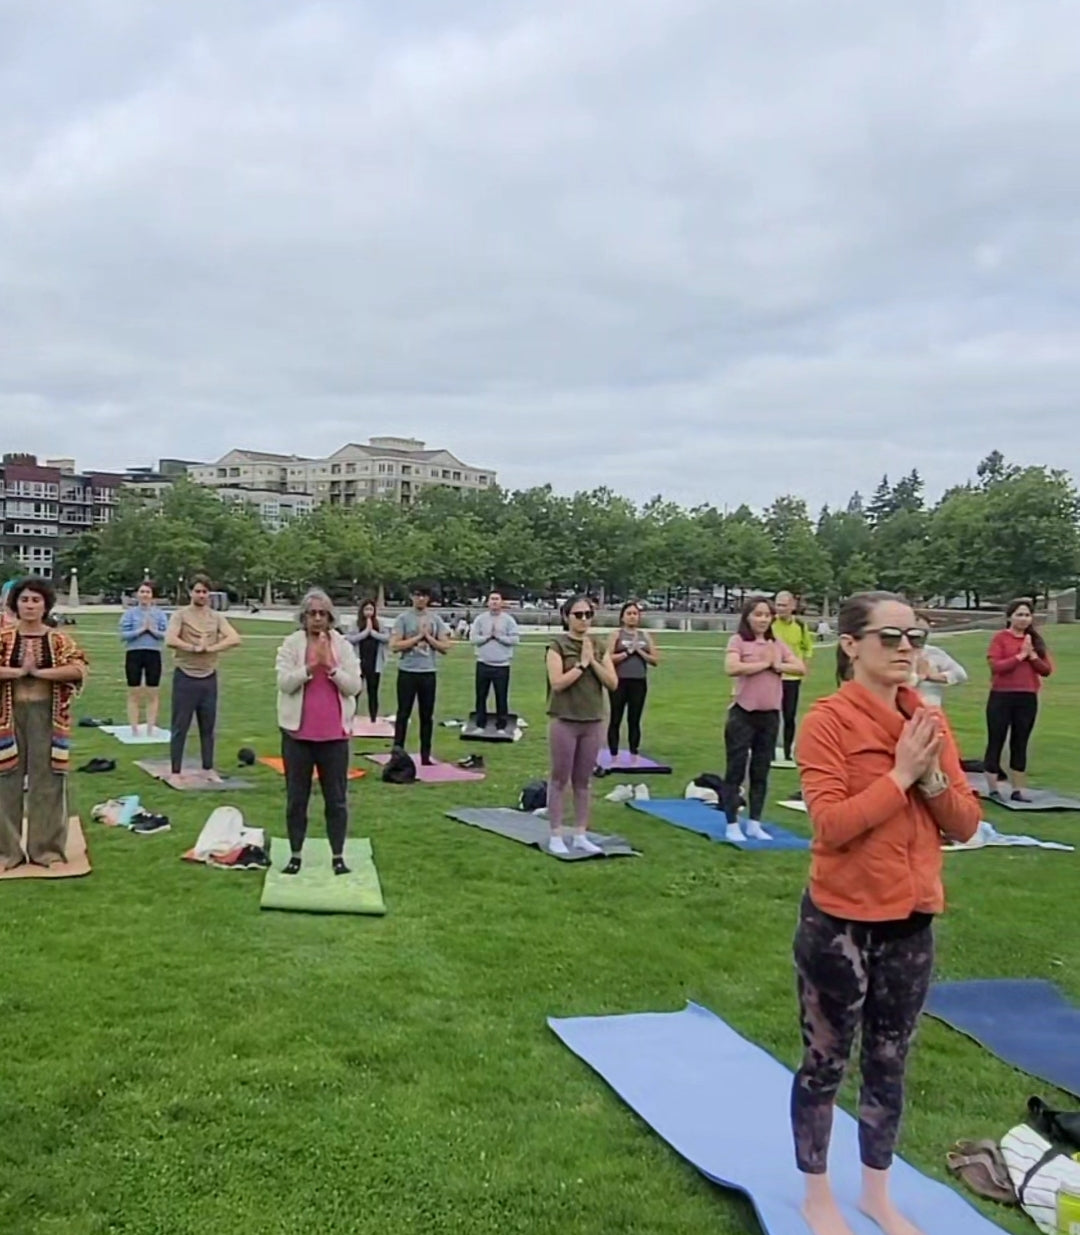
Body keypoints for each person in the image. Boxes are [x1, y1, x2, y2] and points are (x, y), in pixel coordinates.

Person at [792, 591, 979, 1235]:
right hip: (839, 923)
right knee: (825, 1061)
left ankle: (877, 1192)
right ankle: (817, 1193)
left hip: (911, 923)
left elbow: (965, 824)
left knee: (890, 1062)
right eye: (890, 636)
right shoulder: (827, 722)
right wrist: (899, 776)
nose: (906, 648)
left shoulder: (927, 720)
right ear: (850, 645)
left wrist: (930, 777)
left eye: (915, 637)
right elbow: (831, 826)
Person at [0, 577, 89, 868]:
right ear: (15, 604)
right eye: (24, 600)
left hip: (47, 717)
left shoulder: (58, 638)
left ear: (45, 605)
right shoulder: (3, 636)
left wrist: (38, 674)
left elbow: (78, 668)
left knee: (49, 781)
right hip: (7, 717)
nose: (29, 605)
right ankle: (6, 853)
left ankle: (47, 851)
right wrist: (17, 673)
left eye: (36, 600)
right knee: (5, 781)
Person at [275, 589, 362, 875]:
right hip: (298, 736)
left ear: (330, 617)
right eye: (311, 613)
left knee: (336, 800)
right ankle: (295, 854)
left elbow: (354, 686)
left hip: (334, 737)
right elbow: (285, 683)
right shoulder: (291, 644)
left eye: (322, 613)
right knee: (296, 799)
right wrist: (311, 666)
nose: (316, 618)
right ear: (303, 616)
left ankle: (338, 856)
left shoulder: (343, 646)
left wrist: (331, 667)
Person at [722, 596, 805, 841]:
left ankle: (755, 822)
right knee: (735, 770)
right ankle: (731, 823)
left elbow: (799, 667)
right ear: (748, 616)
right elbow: (731, 667)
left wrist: (777, 665)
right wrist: (763, 664)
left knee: (761, 771)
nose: (763, 619)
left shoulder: (776, 643)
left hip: (769, 716)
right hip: (743, 714)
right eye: (758, 614)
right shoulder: (739, 641)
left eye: (767, 615)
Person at [545, 596, 618, 855]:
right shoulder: (557, 645)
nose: (584, 619)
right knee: (559, 778)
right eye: (578, 615)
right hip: (564, 719)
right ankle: (555, 833)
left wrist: (593, 661)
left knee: (583, 781)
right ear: (566, 617)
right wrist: (581, 664)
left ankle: (580, 833)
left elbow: (612, 682)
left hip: (593, 720)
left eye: (588, 614)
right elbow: (557, 683)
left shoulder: (597, 645)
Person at [164, 574, 242, 785]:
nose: (201, 595)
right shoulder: (180, 615)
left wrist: (211, 649)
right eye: (197, 591)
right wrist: (192, 648)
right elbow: (170, 639)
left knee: (208, 726)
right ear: (191, 592)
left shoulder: (216, 617)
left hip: (208, 678)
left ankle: (208, 768)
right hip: (185, 677)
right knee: (180, 726)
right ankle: (175, 771)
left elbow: (235, 638)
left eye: (205, 591)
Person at [983, 598, 1053, 804]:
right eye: (1019, 614)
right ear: (1010, 617)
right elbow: (996, 666)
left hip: (1027, 696)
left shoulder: (1034, 641)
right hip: (1002, 696)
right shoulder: (1000, 639)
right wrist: (1020, 656)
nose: (1023, 619)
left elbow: (1046, 670)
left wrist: (1031, 656)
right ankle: (993, 788)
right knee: (996, 739)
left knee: (1020, 741)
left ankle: (1018, 789)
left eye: (1027, 615)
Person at [390, 585, 451, 764]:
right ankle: (397, 752)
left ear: (428, 598)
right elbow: (394, 645)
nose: (420, 599)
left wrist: (428, 638)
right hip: (407, 672)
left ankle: (425, 755)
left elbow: (445, 646)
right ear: (411, 597)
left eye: (424, 596)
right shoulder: (403, 619)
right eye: (417, 595)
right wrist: (417, 638)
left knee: (427, 715)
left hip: (428, 672)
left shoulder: (435, 619)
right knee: (403, 714)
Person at [605, 600, 659, 760]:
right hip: (619, 682)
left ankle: (633, 752)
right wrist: (627, 652)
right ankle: (613, 753)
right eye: (629, 613)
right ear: (622, 617)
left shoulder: (645, 636)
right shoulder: (616, 635)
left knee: (634, 719)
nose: (632, 617)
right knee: (616, 717)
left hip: (638, 682)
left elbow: (655, 660)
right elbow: (607, 658)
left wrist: (640, 651)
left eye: (635, 614)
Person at [119, 581, 169, 736]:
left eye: (147, 592)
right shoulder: (129, 614)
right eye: (142, 592)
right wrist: (141, 630)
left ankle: (150, 727)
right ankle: (134, 728)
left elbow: (166, 635)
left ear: (152, 595)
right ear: (137, 594)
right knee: (134, 691)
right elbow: (123, 635)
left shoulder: (160, 614)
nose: (144, 595)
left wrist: (152, 630)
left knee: (152, 692)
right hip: (134, 653)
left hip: (153, 654)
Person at [773, 591, 815, 762]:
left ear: (792, 606)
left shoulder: (799, 625)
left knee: (789, 716)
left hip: (792, 679)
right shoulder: (770, 623)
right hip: (772, 678)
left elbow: (807, 648)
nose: (780, 609)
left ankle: (788, 751)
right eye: (778, 605)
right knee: (770, 716)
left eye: (784, 605)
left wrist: (804, 665)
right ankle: (768, 749)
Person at [470, 592, 521, 730]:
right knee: (481, 696)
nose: (494, 602)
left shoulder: (508, 620)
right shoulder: (480, 619)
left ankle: (502, 725)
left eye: (497, 599)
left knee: (501, 697)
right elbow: (473, 639)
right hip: (483, 664)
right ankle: (480, 724)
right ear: (487, 602)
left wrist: (499, 637)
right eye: (492, 599)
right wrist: (487, 637)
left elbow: (515, 640)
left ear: (501, 602)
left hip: (502, 665)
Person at [910, 615, 968, 708]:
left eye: (926, 632)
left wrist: (932, 677)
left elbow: (961, 674)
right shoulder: (896, 653)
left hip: (932, 710)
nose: (922, 637)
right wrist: (918, 676)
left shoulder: (934, 652)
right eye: (918, 632)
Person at [347, 600, 390, 723]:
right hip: (358, 663)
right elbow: (350, 639)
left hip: (374, 663)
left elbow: (386, 638)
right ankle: (351, 717)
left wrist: (373, 632)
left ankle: (373, 718)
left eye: (371, 609)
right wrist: (365, 632)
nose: (369, 612)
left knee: (373, 692)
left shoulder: (380, 624)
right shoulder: (355, 624)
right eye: (366, 609)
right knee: (355, 691)